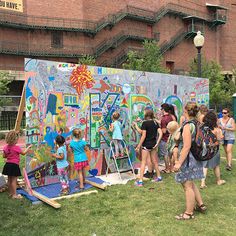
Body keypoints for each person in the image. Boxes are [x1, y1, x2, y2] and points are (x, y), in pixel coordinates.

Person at [174, 102, 206, 220]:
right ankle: (200, 204)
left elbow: (186, 146)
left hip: (188, 158)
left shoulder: (188, 125)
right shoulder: (198, 123)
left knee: (187, 186)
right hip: (196, 157)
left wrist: (178, 163)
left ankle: (188, 213)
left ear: (186, 111)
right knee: (191, 183)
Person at [135, 110, 163, 186]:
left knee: (143, 162)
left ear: (146, 115)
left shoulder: (145, 123)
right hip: (153, 144)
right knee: (155, 161)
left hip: (146, 145)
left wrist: (138, 145)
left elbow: (143, 135)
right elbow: (160, 133)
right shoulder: (155, 122)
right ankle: (159, 177)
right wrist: (157, 143)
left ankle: (140, 181)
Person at [2, 130, 32, 199]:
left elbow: (4, 156)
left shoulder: (6, 147)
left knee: (9, 180)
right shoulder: (17, 148)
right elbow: (23, 153)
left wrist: (9, 155)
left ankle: (11, 193)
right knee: (14, 181)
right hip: (14, 165)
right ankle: (15, 195)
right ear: (15, 140)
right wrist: (28, 147)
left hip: (8, 165)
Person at [200, 111, 225, 188]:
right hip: (214, 150)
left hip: (204, 148)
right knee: (216, 165)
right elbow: (219, 140)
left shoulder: (202, 128)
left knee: (205, 166)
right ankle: (218, 180)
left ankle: (202, 183)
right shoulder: (216, 129)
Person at [159, 103, 174, 173]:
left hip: (165, 139)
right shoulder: (171, 117)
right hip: (171, 138)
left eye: (161, 109)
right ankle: (171, 168)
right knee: (170, 154)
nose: (160, 110)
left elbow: (164, 131)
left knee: (165, 154)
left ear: (163, 109)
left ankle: (167, 168)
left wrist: (159, 128)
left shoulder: (163, 119)